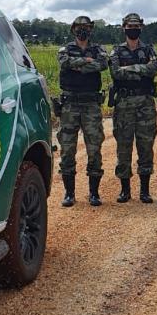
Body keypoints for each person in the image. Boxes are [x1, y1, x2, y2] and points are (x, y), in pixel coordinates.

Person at [57, 16, 108, 207]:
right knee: (67, 149)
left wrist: (78, 65)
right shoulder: (66, 49)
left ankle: (94, 193)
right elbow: (64, 62)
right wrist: (86, 62)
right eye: (80, 27)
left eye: (86, 27)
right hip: (70, 104)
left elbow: (102, 64)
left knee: (94, 148)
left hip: (91, 104)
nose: (83, 30)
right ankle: (69, 194)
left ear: (91, 29)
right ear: (73, 29)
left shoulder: (98, 50)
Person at [109, 13, 157, 203]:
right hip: (124, 104)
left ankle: (144, 191)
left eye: (136, 25)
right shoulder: (117, 51)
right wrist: (141, 68)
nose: (133, 28)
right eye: (130, 26)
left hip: (145, 103)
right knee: (123, 147)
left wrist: (128, 69)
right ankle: (125, 190)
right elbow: (115, 72)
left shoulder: (148, 49)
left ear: (141, 27)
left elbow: (154, 67)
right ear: (124, 28)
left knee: (146, 146)